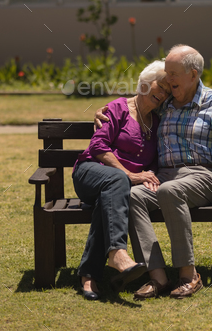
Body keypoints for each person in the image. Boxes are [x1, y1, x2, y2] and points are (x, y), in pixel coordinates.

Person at [95, 44, 212, 300]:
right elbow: (136, 104)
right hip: (167, 175)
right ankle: (158, 277)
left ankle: (189, 275)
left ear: (193, 74)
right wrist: (105, 111)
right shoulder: (165, 102)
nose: (169, 79)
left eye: (174, 73)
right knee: (133, 196)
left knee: (169, 191)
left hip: (204, 175)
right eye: (167, 72)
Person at [73, 60, 170, 300]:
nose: (164, 93)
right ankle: (117, 252)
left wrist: (146, 177)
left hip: (115, 189)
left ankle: (88, 277)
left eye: (168, 91)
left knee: (107, 201)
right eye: (161, 86)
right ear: (145, 84)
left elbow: (152, 164)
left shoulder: (156, 123)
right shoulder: (119, 108)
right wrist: (129, 174)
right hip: (90, 172)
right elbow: (97, 146)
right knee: (117, 180)